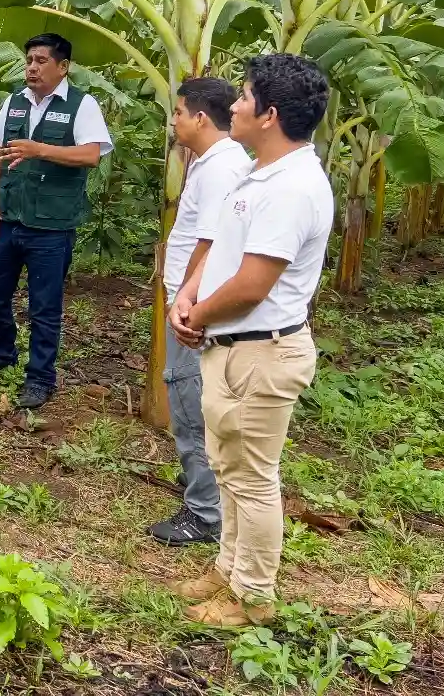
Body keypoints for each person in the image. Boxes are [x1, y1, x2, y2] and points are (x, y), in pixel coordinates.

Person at [169, 54, 332, 628]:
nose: (232, 106)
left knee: (252, 478)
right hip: (232, 348)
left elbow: (254, 283)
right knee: (230, 467)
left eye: (242, 97)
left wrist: (199, 314)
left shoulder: (292, 188)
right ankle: (227, 572)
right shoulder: (258, 173)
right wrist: (190, 293)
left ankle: (253, 596)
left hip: (261, 350)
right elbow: (219, 248)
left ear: (269, 114)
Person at [0, 33, 113, 412]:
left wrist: (40, 149)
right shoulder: (14, 102)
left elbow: (90, 155)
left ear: (63, 66)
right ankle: (2, 357)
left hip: (51, 226)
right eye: (29, 60)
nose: (32, 67)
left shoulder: (81, 105)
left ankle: (40, 378)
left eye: (40, 61)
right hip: (8, 218)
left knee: (44, 306)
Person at [147, 77, 248, 547]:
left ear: (201, 117)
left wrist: (185, 301)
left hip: (195, 308)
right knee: (193, 398)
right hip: (194, 302)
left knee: (190, 400)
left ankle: (204, 512)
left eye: (179, 112)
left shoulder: (221, 169)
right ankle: (204, 494)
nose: (175, 121)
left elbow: (210, 245)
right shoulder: (215, 162)